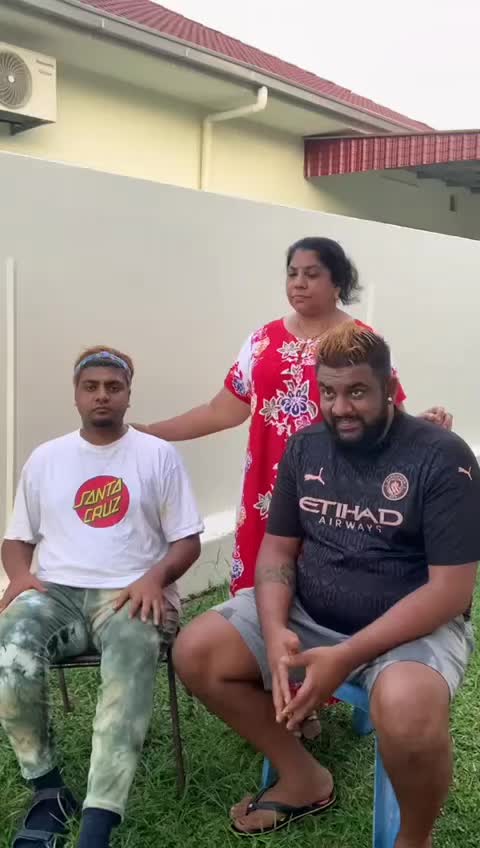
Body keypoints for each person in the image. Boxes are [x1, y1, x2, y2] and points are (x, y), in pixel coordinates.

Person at [173, 322, 479, 848]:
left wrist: (346, 656)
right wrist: (275, 632)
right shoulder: (306, 447)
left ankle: (414, 839)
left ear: (389, 388)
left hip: (410, 629)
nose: (340, 408)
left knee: (408, 712)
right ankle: (302, 777)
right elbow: (278, 549)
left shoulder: (442, 457)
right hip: (309, 613)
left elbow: (450, 591)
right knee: (196, 651)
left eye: (357, 392)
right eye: (328, 392)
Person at [137, 237, 450, 597]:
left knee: (335, 593)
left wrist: (424, 428)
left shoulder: (363, 343)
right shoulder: (261, 342)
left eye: (311, 275)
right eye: (292, 274)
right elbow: (220, 411)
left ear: (338, 283)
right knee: (261, 598)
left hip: (338, 493)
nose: (298, 283)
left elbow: (390, 417)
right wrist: (151, 431)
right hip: (267, 493)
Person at [0, 346, 203, 848]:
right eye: (91, 387)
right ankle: (48, 791)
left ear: (129, 395)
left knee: (131, 653)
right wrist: (19, 575)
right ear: (76, 394)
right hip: (57, 594)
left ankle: (99, 819)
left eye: (114, 387)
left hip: (133, 592)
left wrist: (156, 578)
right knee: (9, 645)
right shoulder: (47, 458)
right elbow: (17, 538)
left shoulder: (156, 455)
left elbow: (187, 541)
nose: (102, 396)